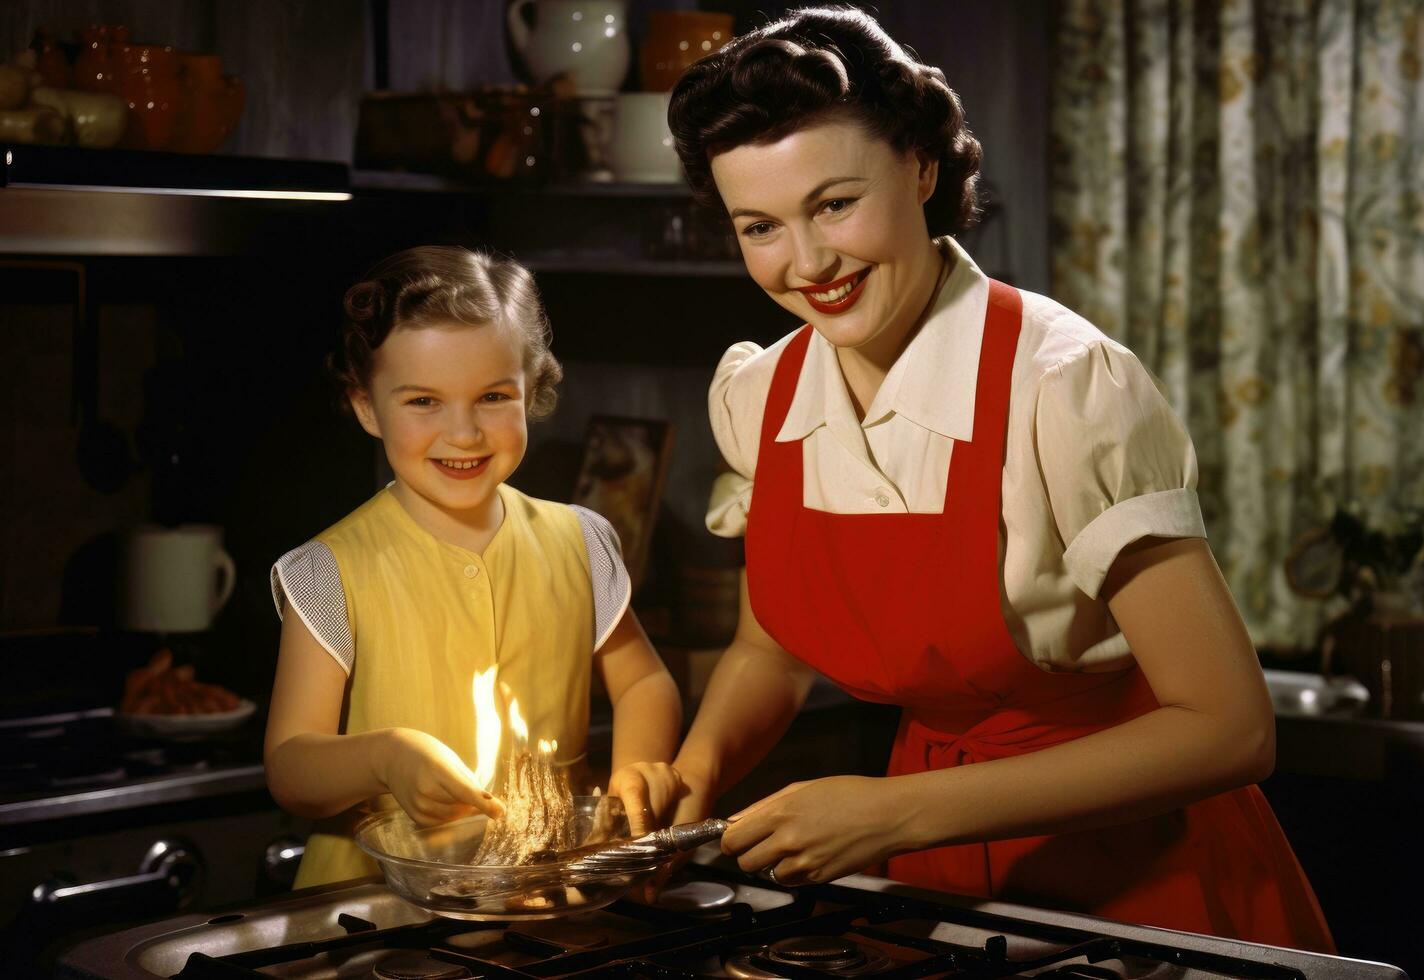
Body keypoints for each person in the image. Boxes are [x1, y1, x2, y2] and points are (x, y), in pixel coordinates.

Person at [663, 6, 1334, 951]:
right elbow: (768, 651)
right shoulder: (760, 398)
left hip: (1140, 882)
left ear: (922, 170)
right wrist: (692, 773)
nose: (806, 263)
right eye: (760, 225)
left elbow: (1228, 728)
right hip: (936, 885)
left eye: (835, 204)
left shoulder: (1063, 386)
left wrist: (898, 813)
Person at [264, 246, 683, 888]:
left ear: (533, 392)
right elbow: (291, 767)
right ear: (367, 407)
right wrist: (384, 758)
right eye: (423, 402)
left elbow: (644, 684)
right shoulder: (329, 570)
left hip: (543, 900)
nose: (463, 434)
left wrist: (639, 767)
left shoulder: (581, 541)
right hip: (372, 918)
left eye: (491, 396)